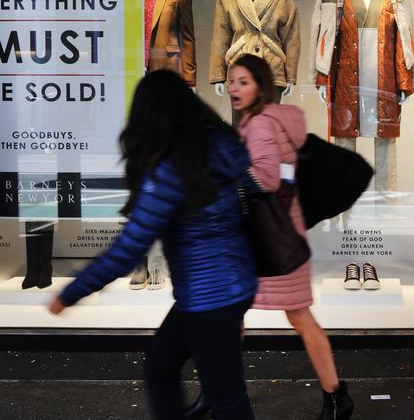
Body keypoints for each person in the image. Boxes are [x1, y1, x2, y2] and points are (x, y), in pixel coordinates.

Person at [47, 70, 258, 420]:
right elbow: (247, 208)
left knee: (227, 399)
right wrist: (234, 302)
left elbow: (129, 249)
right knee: (161, 365)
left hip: (209, 296)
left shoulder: (169, 170)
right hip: (228, 287)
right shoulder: (220, 145)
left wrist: (70, 293)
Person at [186, 54, 354, 420]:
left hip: (269, 236)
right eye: (232, 81)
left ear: (261, 87)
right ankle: (219, 391)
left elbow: (268, 180)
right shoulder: (266, 121)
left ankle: (336, 396)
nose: (233, 87)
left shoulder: (261, 125)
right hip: (273, 232)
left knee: (291, 316)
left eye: (243, 82)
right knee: (240, 316)